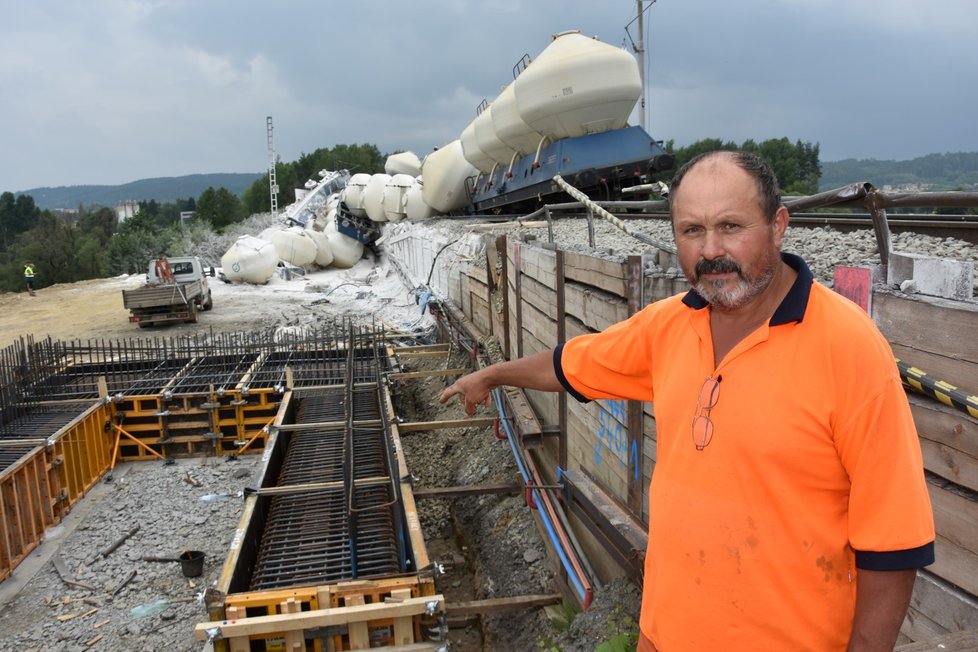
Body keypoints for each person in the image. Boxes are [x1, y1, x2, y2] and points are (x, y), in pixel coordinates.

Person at [438, 151, 935, 651]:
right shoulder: (669, 325)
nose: (711, 249)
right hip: (666, 633)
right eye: (692, 230)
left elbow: (894, 541)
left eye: (731, 225)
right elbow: (572, 363)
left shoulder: (848, 347)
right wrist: (494, 374)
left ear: (778, 225)